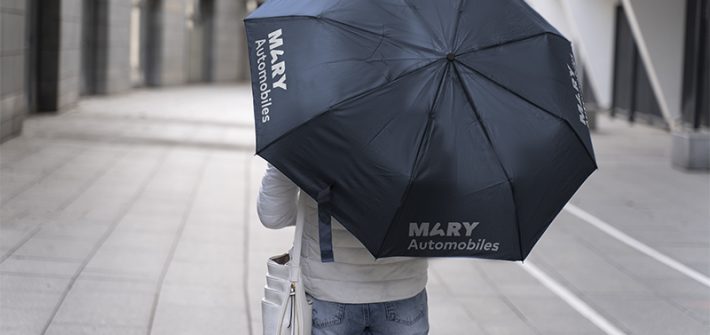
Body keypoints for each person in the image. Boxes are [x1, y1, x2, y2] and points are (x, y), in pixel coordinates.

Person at [257, 163, 429, 335]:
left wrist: (316, 214)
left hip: (328, 292)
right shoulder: (427, 139)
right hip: (404, 288)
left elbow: (273, 215)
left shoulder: (305, 137)